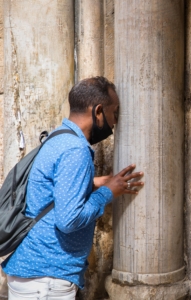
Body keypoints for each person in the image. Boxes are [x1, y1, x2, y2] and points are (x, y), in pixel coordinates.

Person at [1, 76, 143, 299]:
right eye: (113, 113)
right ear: (98, 112)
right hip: (46, 279)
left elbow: (52, 188)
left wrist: (96, 182)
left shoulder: (59, 137)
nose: (114, 122)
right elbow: (69, 220)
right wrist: (108, 193)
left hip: (36, 273)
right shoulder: (75, 150)